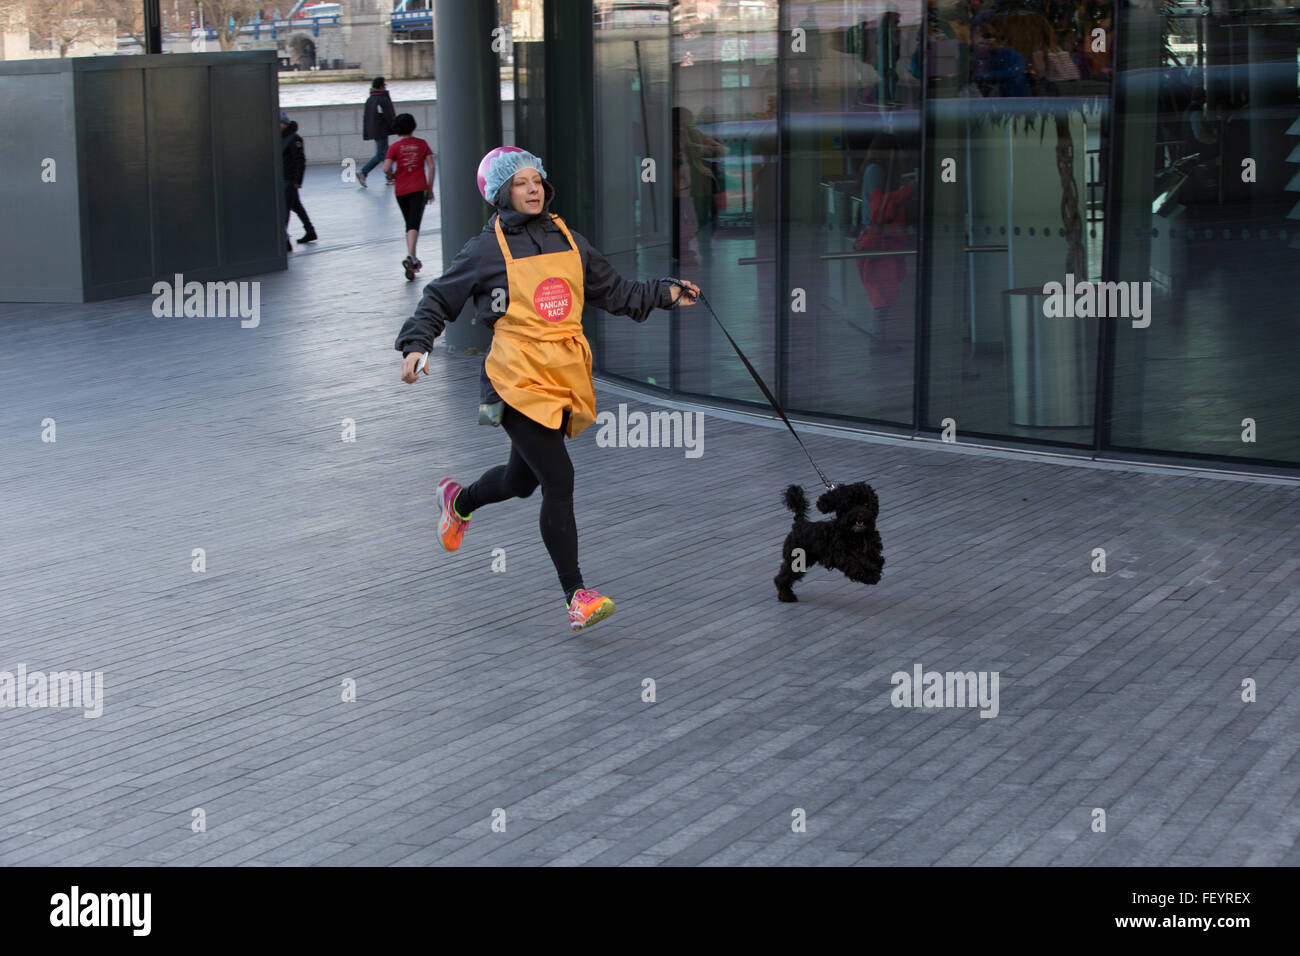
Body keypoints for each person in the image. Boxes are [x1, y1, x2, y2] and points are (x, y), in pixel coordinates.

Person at [393, 147, 701, 632]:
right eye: (521, 182)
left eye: (537, 179)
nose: (533, 188)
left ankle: (460, 501)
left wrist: (664, 292)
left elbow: (616, 292)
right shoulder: (484, 250)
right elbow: (438, 297)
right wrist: (417, 345)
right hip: (515, 377)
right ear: (500, 193)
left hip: (562, 376)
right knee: (559, 480)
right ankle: (576, 595)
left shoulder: (569, 240)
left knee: (523, 481)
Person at [382, 113, 434, 280]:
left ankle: (412, 260)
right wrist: (430, 188)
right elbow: (431, 167)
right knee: (414, 223)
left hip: (401, 190)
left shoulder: (394, 147)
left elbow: (385, 168)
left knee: (409, 224)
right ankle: (410, 256)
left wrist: (394, 175)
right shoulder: (422, 144)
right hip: (418, 188)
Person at [280, 111, 316, 250]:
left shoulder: (294, 139)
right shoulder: (282, 137)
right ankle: (310, 231)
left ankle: (285, 241)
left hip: (289, 180)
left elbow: (300, 160)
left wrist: (297, 181)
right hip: (285, 179)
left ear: (284, 124)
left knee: (285, 210)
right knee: (296, 206)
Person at [358, 76, 396, 188]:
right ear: (380, 86)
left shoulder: (370, 100)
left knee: (385, 153)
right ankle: (363, 172)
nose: (385, 87)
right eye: (384, 85)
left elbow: (366, 118)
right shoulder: (382, 99)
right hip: (382, 131)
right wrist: (395, 126)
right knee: (381, 154)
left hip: (375, 131)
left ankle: (390, 177)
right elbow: (389, 115)